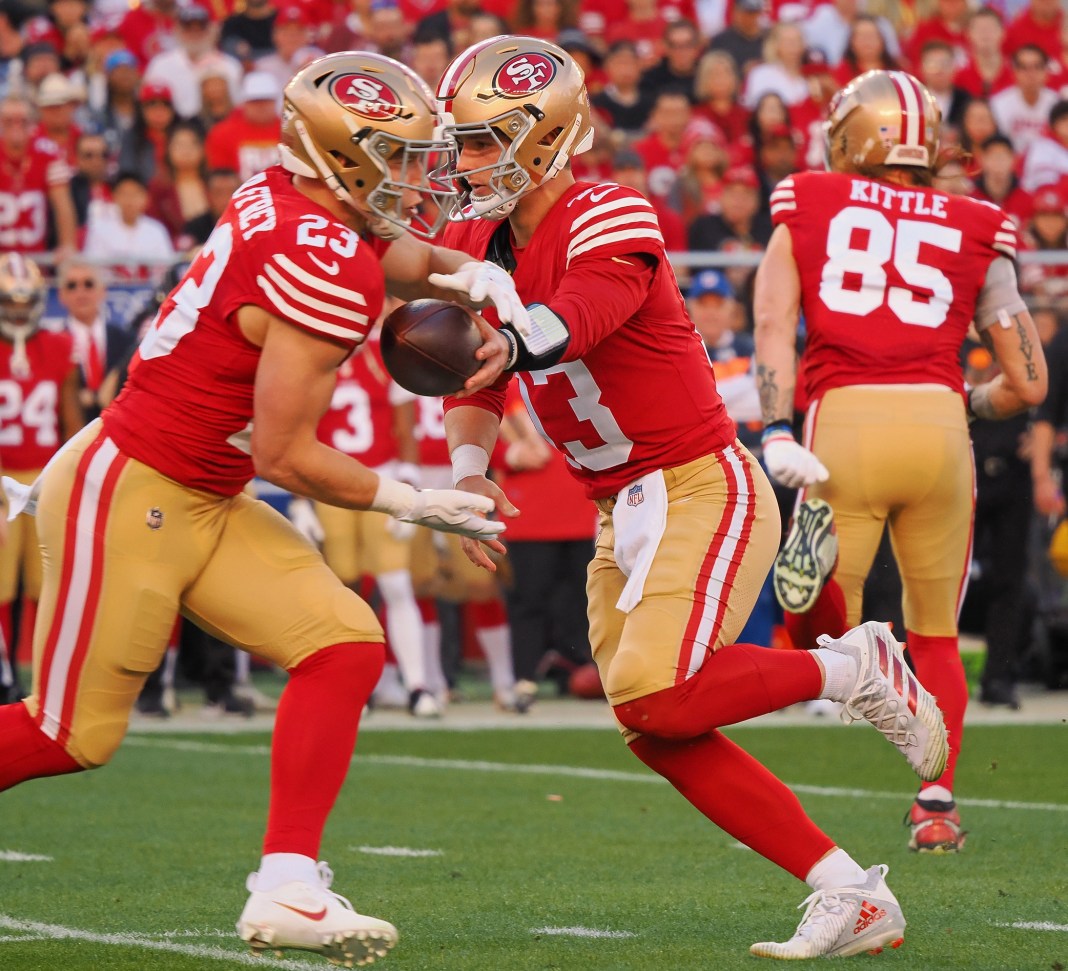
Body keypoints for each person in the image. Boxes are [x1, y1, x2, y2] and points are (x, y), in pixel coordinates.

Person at [0, 50, 531, 967]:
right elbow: (285, 453)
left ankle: (286, 883)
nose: (417, 175)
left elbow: (400, 254)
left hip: (204, 490)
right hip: (133, 488)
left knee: (344, 644)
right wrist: (414, 499)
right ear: (346, 157)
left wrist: (469, 274)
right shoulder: (322, 257)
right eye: (400, 156)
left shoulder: (293, 196)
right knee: (68, 731)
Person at [434, 36, 949, 959]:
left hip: (698, 481)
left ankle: (852, 668)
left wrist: (506, 332)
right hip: (618, 506)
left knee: (657, 691)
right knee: (653, 722)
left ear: (542, 139)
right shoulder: (481, 240)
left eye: (479, 142)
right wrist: (469, 470)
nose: (463, 162)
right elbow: (477, 375)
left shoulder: (610, 212)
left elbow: (574, 318)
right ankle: (849, 890)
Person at [754, 69, 1047, 855]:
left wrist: (775, 426)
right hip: (940, 427)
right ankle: (936, 803)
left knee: (821, 630)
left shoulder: (810, 198)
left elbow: (774, 321)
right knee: (939, 633)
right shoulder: (977, 221)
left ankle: (842, 625)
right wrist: (966, 403)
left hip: (846, 419)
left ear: (851, 137)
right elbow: (1029, 382)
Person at [0, 253, 83, 703]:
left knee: (45, 585)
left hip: (44, 480)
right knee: (1, 589)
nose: (17, 312)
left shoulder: (57, 347)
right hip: (1, 479)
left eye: (24, 302)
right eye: (9, 303)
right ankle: (4, 679)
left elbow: (72, 426)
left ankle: (43, 681)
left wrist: (70, 482)